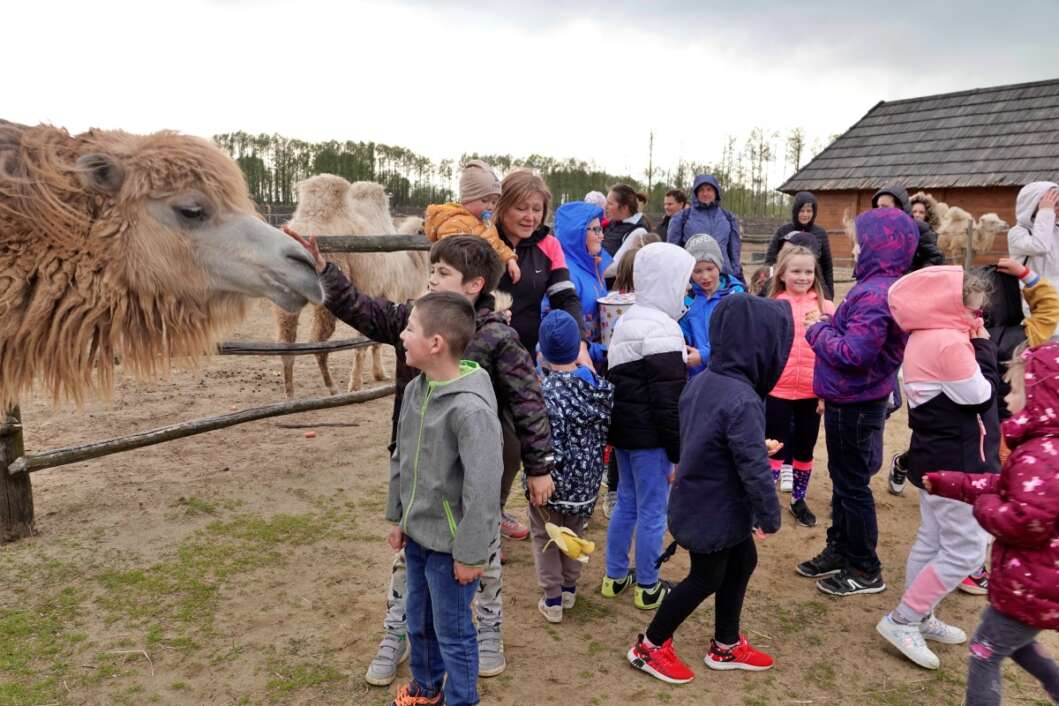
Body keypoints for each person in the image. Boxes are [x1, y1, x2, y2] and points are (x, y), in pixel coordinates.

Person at [285, 230, 555, 682]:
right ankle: (398, 632)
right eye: (431, 270)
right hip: (418, 472)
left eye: (442, 273)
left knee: (481, 551)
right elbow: (362, 308)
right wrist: (324, 271)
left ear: (473, 286)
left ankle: (488, 629)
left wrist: (539, 466)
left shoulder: (496, 338)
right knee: (408, 555)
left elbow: (528, 401)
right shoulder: (413, 321)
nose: (430, 280)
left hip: (471, 478)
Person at [627, 294, 789, 683]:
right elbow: (751, 464)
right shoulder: (743, 398)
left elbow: (707, 440)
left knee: (742, 561)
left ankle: (726, 644)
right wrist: (769, 514)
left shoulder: (705, 382)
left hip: (708, 500)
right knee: (706, 577)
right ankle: (649, 646)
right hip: (713, 508)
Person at [874, 266, 999, 670]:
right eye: (975, 310)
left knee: (932, 539)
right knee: (966, 549)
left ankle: (920, 615)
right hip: (958, 461)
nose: (979, 318)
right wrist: (984, 350)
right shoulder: (950, 343)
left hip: (936, 454)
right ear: (954, 305)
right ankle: (904, 619)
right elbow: (980, 396)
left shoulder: (928, 335)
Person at [923, 342, 1059, 706]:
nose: (1008, 399)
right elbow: (1002, 485)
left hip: (1028, 585)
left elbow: (1026, 518)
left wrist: (984, 507)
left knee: (984, 654)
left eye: (1015, 390)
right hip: (1035, 584)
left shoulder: (1039, 456)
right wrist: (950, 482)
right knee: (1017, 643)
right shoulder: (1042, 450)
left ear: (1040, 397)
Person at [384, 291, 503, 706]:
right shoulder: (418, 389)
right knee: (418, 620)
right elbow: (402, 454)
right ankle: (426, 687)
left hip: (453, 549)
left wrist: (471, 554)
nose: (402, 335)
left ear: (435, 344)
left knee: (453, 631)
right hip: (418, 537)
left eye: (410, 329)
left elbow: (484, 489)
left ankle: (461, 699)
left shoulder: (470, 411)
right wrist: (398, 516)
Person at [795, 208, 919, 596]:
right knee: (844, 480)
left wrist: (816, 330)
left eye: (860, 242)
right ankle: (841, 548)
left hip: (854, 402)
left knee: (852, 486)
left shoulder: (874, 294)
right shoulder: (882, 287)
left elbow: (853, 353)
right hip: (855, 399)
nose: (854, 248)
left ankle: (865, 568)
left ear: (878, 245)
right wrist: (829, 324)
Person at [603, 243, 695, 610]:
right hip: (652, 440)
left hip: (624, 434)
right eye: (683, 281)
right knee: (654, 509)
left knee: (627, 502)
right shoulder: (664, 329)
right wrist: (677, 451)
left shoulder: (628, 318)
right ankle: (648, 584)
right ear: (668, 281)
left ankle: (614, 576)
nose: (687, 289)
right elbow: (668, 402)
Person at [529, 310, 614, 623]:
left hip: (550, 482)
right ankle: (569, 587)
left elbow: (539, 438)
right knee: (573, 532)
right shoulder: (596, 390)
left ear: (542, 353)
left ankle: (552, 598)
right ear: (579, 346)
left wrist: (535, 474)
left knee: (545, 535)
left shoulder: (544, 394)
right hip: (586, 483)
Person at [765, 245, 835, 527]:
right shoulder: (772, 306)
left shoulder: (825, 307)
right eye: (796, 271)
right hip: (777, 389)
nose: (803, 276)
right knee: (773, 447)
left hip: (811, 390)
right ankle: (766, 501)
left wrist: (826, 393)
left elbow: (832, 353)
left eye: (808, 271)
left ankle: (797, 498)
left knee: (805, 448)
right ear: (782, 274)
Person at [491, 170, 586, 359]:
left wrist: (580, 344)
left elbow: (565, 299)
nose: (530, 217)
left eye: (536, 209)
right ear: (501, 207)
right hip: (483, 352)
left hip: (526, 357)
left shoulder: (550, 245)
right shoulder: (484, 241)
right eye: (521, 208)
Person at [424, 159, 521, 283]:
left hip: (477, 281)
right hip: (458, 283)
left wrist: (510, 260)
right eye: (485, 200)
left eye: (494, 202)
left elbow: (497, 244)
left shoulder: (486, 224)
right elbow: (451, 255)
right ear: (467, 199)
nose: (490, 206)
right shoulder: (454, 222)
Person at [552, 201, 611, 364]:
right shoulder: (565, 272)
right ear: (576, 232)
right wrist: (604, 351)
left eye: (602, 229)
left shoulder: (593, 266)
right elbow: (560, 331)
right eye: (596, 229)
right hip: (577, 364)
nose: (602, 235)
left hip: (594, 358)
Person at [679, 234, 745, 378]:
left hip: (727, 374)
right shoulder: (688, 298)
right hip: (695, 374)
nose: (705, 276)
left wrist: (703, 355)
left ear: (719, 266)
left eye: (710, 269)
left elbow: (734, 335)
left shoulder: (735, 295)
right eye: (698, 271)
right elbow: (682, 332)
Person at [666, 174, 743, 280]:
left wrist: (735, 274)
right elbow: (673, 251)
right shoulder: (682, 217)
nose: (705, 193)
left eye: (709, 189)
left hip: (724, 277)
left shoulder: (728, 218)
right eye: (701, 190)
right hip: (693, 277)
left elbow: (734, 251)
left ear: (716, 192)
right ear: (696, 193)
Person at [764, 191, 834, 298]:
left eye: (809, 211)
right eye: (801, 211)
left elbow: (827, 267)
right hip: (787, 286)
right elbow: (769, 261)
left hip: (814, 285)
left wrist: (829, 295)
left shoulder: (820, 233)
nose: (805, 214)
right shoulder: (783, 231)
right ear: (795, 211)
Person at [1008, 182, 1059, 328]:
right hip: (1034, 301)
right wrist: (1046, 213)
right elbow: (1040, 246)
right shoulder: (1017, 232)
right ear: (1034, 206)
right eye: (1054, 205)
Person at [871, 185, 944, 271]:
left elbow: (934, 257)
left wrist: (919, 273)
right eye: (878, 206)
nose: (880, 210)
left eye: (884, 207)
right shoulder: (878, 231)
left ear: (899, 207)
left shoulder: (919, 228)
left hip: (910, 281)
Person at [602, 184, 650, 258]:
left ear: (624, 208)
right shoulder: (614, 222)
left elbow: (614, 266)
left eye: (610, 204)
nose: (605, 207)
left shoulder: (638, 232)